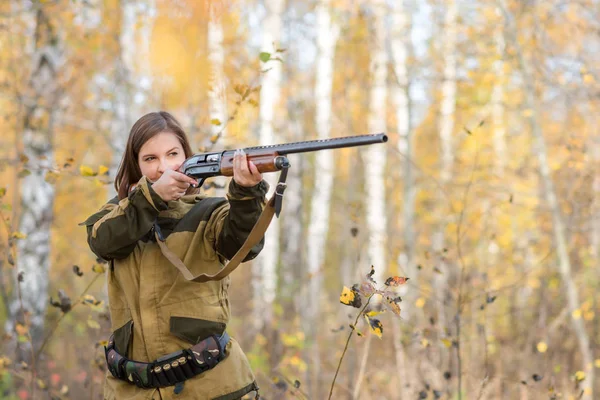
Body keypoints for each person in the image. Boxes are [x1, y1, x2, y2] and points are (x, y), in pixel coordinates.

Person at [81, 111, 266, 400]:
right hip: (132, 390)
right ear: (136, 165)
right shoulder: (119, 215)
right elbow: (102, 241)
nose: (163, 167)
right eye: (150, 159)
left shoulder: (210, 212)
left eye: (172, 154)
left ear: (187, 157)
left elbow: (245, 245)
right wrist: (151, 198)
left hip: (212, 387)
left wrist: (246, 194)